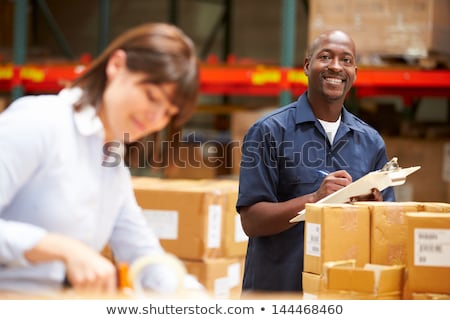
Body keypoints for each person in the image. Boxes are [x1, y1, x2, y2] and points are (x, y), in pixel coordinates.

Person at [0, 23, 203, 295]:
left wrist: (200, 299)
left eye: (168, 113)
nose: (155, 119)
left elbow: (141, 252)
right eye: (151, 96)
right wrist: (59, 248)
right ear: (117, 65)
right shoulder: (40, 122)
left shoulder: (112, 162)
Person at [236, 30, 395, 293]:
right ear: (307, 66)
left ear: (354, 72)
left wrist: (372, 210)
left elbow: (386, 229)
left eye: (346, 60)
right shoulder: (269, 131)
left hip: (343, 292)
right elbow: (252, 221)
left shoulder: (371, 142)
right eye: (325, 57)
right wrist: (314, 199)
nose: (335, 66)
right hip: (279, 294)